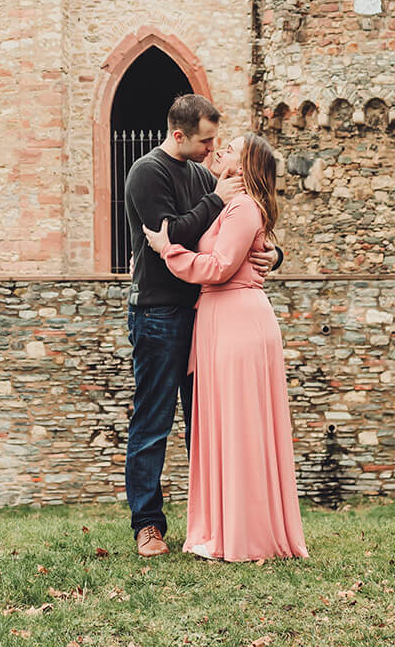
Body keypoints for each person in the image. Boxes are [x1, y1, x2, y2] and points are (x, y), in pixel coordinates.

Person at [144, 132, 307, 563]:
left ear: (244, 165)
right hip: (218, 319)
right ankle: (221, 527)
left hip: (236, 321)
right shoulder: (218, 194)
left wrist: (167, 251)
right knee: (222, 426)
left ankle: (246, 534)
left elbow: (219, 266)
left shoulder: (242, 204)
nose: (220, 150)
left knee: (240, 427)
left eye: (230, 148)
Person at [121, 93, 268, 558]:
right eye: (205, 141)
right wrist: (214, 199)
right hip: (159, 313)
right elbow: (173, 233)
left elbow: (228, 238)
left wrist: (271, 254)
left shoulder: (203, 175)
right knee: (153, 421)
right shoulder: (148, 173)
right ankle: (148, 526)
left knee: (206, 424)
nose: (212, 149)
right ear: (179, 135)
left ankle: (212, 524)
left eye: (216, 141)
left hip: (207, 315)